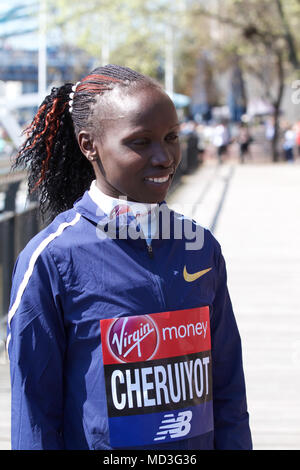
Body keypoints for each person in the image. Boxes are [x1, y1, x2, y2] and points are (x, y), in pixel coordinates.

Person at [7, 64, 252, 450]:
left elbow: (228, 392)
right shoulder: (51, 260)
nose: (165, 157)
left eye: (172, 137)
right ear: (89, 145)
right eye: (140, 142)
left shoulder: (200, 247)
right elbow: (34, 416)